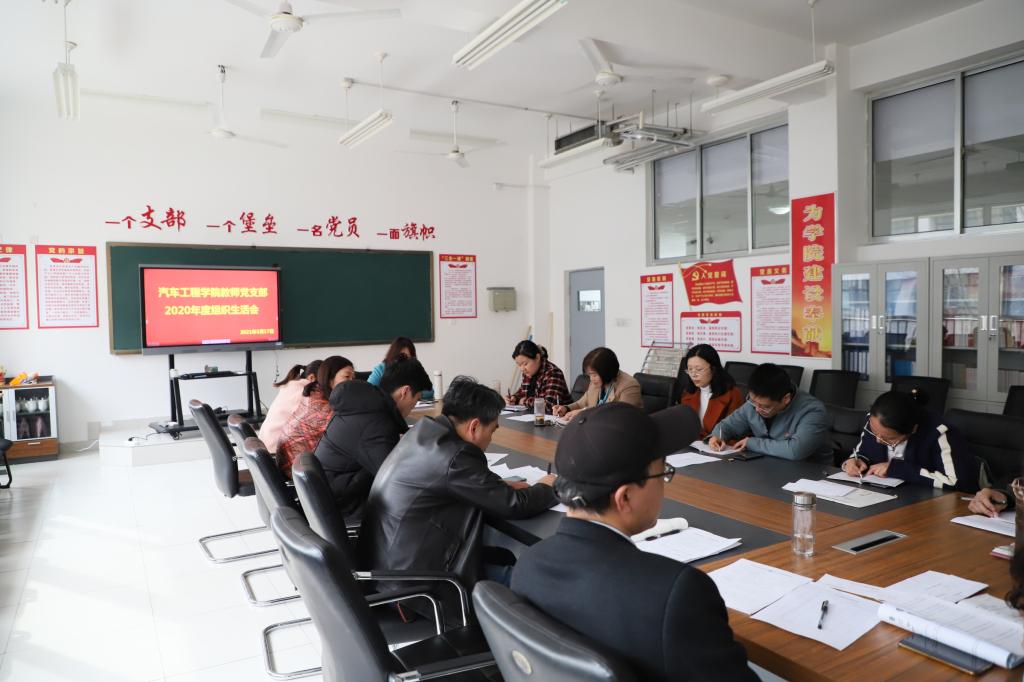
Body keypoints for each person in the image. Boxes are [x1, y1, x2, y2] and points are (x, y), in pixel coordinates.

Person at [511, 402, 757, 682]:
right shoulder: (676, 594)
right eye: (663, 472)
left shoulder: (528, 565)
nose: (664, 485)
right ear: (625, 497)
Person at [360, 377, 557, 592]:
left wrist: (496, 484)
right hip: (416, 584)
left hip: (389, 567)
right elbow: (515, 505)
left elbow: (447, 478)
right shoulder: (456, 456)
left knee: (505, 556)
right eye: (492, 430)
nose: (490, 439)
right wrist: (548, 486)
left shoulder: (424, 431)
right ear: (474, 426)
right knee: (535, 583)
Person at [314, 357, 432, 519]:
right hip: (345, 510)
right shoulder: (376, 421)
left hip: (335, 499)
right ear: (404, 392)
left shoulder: (364, 408)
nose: (413, 406)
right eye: (416, 399)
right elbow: (398, 481)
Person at [842, 390, 982, 492]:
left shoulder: (939, 433)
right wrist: (856, 461)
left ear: (913, 429)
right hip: (883, 498)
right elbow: (863, 452)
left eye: (889, 439)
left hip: (927, 505)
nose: (878, 440)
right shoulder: (876, 423)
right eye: (874, 432)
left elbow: (958, 483)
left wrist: (897, 469)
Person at [709, 363, 830, 461]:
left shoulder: (813, 411)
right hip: (766, 467)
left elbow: (796, 451)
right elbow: (727, 426)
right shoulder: (754, 403)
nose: (757, 409)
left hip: (810, 473)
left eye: (765, 406)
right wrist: (718, 436)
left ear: (786, 399)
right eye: (753, 402)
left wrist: (752, 443)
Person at [275, 356, 354, 478]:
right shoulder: (322, 405)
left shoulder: (314, 393)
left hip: (296, 466)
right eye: (347, 376)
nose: (352, 382)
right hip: (302, 472)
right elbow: (348, 430)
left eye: (353, 377)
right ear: (329, 379)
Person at [552, 347, 641, 421]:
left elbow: (622, 416)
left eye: (594, 375)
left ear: (607, 371)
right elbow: (581, 404)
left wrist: (585, 413)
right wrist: (566, 409)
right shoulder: (596, 382)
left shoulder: (629, 385)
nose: (591, 379)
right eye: (589, 375)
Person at [678, 344, 744, 439]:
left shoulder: (732, 394)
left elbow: (736, 432)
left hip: (718, 445)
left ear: (713, 368)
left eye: (699, 369)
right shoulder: (688, 392)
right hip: (693, 444)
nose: (693, 375)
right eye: (690, 369)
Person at [258, 359, 321, 453]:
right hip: (276, 449)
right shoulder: (305, 393)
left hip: (265, 444)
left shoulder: (291, 386)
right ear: (312, 378)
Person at [506, 340, 571, 411]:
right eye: (519, 365)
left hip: (556, 417)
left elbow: (549, 405)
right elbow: (522, 392)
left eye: (525, 364)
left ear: (537, 358)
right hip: (533, 416)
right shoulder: (528, 373)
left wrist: (523, 401)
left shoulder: (553, 373)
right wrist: (514, 398)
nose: (522, 368)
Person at [367, 336, 433, 400]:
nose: (403, 360)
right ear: (393, 355)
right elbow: (367, 392)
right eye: (400, 356)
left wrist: (413, 394)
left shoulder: (414, 369)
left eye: (407, 357)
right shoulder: (381, 369)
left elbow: (430, 391)